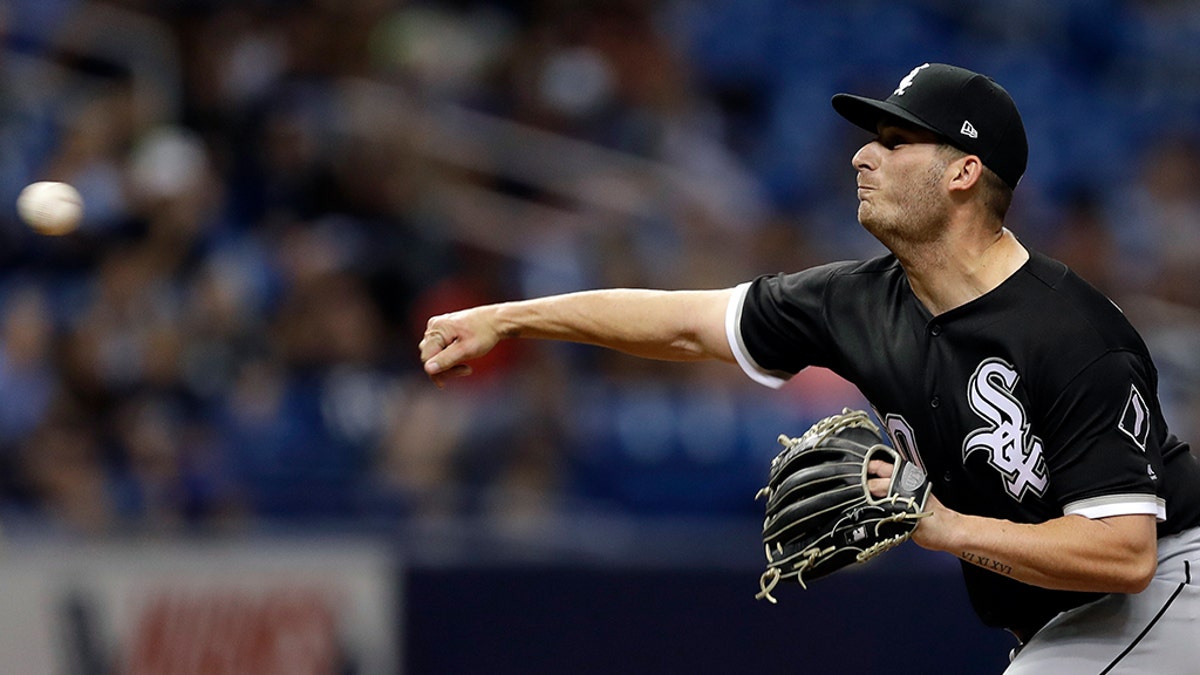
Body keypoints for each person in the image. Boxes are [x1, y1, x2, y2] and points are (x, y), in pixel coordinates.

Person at [418, 63, 1200, 673]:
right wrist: (509, 317)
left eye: (895, 143)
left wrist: (937, 522)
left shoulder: (1071, 331)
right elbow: (689, 325)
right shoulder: (855, 301)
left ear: (964, 172)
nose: (863, 154)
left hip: (1168, 586)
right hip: (1070, 621)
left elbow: (1124, 553)